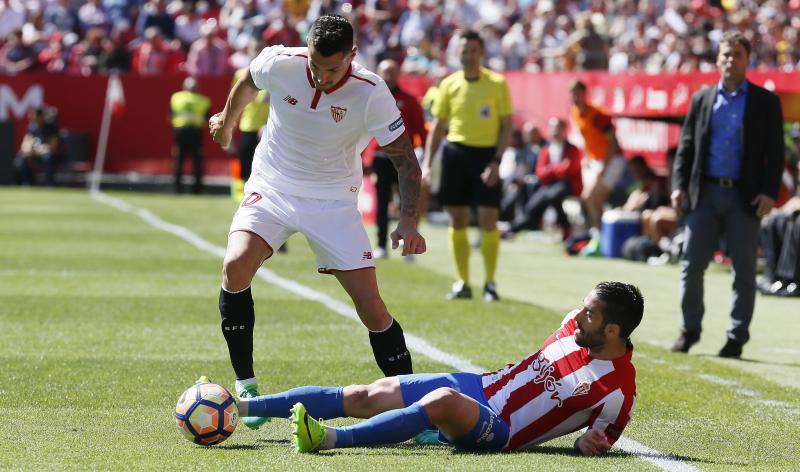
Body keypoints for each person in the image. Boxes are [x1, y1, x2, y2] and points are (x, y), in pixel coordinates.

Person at [208, 14, 426, 430]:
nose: (321, 76)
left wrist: (409, 221)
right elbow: (249, 82)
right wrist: (228, 119)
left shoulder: (371, 92)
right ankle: (247, 386)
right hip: (272, 186)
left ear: (352, 56)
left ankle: (417, 412)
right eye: (314, 64)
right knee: (236, 266)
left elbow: (406, 161)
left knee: (372, 309)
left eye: (332, 68)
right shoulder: (281, 62)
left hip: (332, 200)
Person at [231, 281, 643, 455]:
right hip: (483, 385)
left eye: (590, 314)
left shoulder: (618, 391)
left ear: (612, 330)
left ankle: (330, 440)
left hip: (501, 429)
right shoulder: (574, 324)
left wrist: (585, 445)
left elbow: (597, 440)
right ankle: (240, 408)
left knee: (441, 401)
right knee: (364, 394)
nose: (578, 315)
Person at [670, 31, 785, 359]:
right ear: (717, 59)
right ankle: (689, 329)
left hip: (744, 198)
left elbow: (775, 154)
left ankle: (736, 338)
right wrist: (679, 186)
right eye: (725, 54)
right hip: (704, 193)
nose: (730, 60)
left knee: (744, 271)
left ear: (748, 59)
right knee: (691, 265)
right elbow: (686, 147)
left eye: (737, 54)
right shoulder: (702, 99)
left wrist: (769, 192)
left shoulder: (765, 102)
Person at [422, 29, 513, 302]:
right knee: (457, 219)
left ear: (481, 53)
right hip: (456, 154)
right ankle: (462, 282)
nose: (468, 56)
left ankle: (490, 283)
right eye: (464, 51)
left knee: (488, 220)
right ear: (457, 53)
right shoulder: (448, 84)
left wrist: (497, 161)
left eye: (473, 51)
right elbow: (437, 128)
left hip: (486, 157)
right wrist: (427, 164)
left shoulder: (497, 84)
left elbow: (507, 126)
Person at [365, 59, 427, 260]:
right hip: (381, 158)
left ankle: (409, 245)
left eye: (392, 71)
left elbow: (420, 130)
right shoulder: (369, 99)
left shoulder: (409, 101)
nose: (389, 76)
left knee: (407, 202)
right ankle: (382, 244)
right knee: (382, 203)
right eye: (385, 72)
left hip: (404, 160)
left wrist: (423, 155)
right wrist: (365, 159)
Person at [569, 80, 625, 247]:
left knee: (592, 197)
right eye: (571, 93)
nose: (573, 97)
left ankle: (599, 234)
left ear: (584, 94)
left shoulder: (598, 115)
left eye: (576, 93)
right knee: (591, 200)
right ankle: (599, 236)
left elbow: (613, 143)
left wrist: (604, 167)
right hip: (594, 160)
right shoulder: (575, 112)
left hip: (612, 160)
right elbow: (586, 138)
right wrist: (587, 157)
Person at [508, 117, 582, 238]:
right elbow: (540, 172)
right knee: (534, 206)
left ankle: (515, 228)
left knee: (552, 196)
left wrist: (551, 169)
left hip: (568, 185)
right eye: (553, 128)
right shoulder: (546, 150)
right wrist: (558, 169)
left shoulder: (572, 149)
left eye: (558, 128)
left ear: (564, 130)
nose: (555, 131)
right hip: (549, 186)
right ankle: (518, 227)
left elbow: (570, 169)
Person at [230, 61, 270, 201]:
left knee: (263, 163)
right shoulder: (241, 73)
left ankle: (259, 194)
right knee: (244, 159)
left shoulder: (272, 74)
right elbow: (234, 101)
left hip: (266, 128)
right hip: (247, 125)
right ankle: (240, 191)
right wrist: (230, 126)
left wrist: (267, 123)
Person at [170, 76, 210, 194]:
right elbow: (207, 118)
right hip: (196, 133)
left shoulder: (176, 97)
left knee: (179, 160)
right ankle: (197, 189)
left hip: (180, 132)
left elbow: (170, 116)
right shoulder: (204, 100)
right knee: (197, 161)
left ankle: (177, 188)